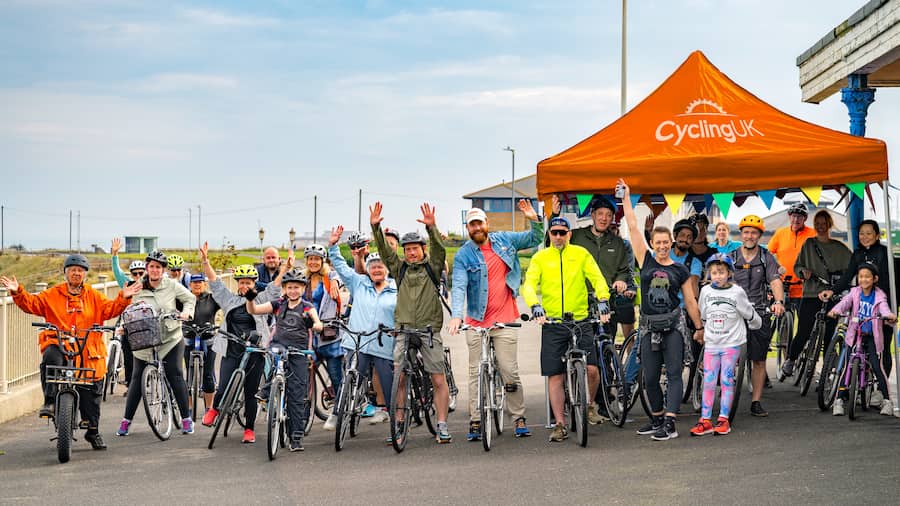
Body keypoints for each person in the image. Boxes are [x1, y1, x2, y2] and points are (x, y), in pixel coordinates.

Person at [1, 254, 139, 450]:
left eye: (80, 270)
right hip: (59, 343)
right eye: (72, 269)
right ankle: (49, 401)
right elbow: (32, 303)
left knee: (93, 386)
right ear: (65, 273)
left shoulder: (93, 295)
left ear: (84, 275)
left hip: (87, 347)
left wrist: (123, 297)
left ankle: (93, 431)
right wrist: (18, 292)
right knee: (50, 356)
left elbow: (109, 309)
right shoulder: (52, 294)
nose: (76, 273)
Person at [448, 201, 543, 441]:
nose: (476, 228)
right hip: (476, 321)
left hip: (505, 318)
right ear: (468, 228)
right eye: (472, 225)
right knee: (474, 372)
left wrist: (533, 218)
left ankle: (518, 416)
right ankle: (476, 419)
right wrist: (457, 316)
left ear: (486, 224)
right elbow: (458, 286)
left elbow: (535, 239)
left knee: (509, 370)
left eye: (480, 223)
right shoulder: (463, 255)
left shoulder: (505, 240)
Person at [620, 179, 703, 441]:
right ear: (653, 242)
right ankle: (656, 418)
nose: (663, 245)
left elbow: (690, 301)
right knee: (651, 377)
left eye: (666, 242)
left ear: (671, 243)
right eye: (658, 241)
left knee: (675, 373)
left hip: (674, 326)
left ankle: (670, 422)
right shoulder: (644, 259)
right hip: (648, 325)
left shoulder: (680, 269)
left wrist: (699, 327)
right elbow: (633, 227)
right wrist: (626, 198)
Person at [522, 215, 611, 442]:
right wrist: (535, 306)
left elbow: (598, 278)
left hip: (580, 320)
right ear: (549, 235)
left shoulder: (581, 254)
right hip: (553, 323)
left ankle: (589, 405)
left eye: (563, 232)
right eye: (555, 233)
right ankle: (560, 423)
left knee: (591, 370)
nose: (559, 236)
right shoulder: (540, 258)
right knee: (555, 376)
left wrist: (603, 299)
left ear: (569, 234)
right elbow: (529, 284)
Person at [370, 201, 453, 443]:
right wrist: (376, 227)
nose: (411, 253)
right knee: (400, 377)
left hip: (428, 330)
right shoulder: (400, 269)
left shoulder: (433, 267)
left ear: (422, 249)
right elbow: (386, 253)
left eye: (415, 249)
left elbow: (439, 250)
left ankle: (442, 424)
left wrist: (432, 228)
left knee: (437, 378)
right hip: (404, 330)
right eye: (407, 249)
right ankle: (398, 423)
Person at [198, 242, 283, 444]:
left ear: (254, 283)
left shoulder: (261, 298)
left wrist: (285, 267)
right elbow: (215, 282)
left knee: (251, 392)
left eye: (248, 283)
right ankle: (215, 410)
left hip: (255, 351)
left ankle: (249, 428)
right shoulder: (229, 300)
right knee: (224, 384)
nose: (244, 286)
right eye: (241, 283)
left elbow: (276, 288)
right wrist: (205, 262)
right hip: (231, 348)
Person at [116, 250, 196, 437]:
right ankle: (126, 421)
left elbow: (189, 299)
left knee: (175, 374)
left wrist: (186, 313)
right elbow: (127, 309)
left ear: (163, 270)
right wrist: (122, 326)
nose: (154, 270)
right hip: (144, 340)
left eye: (158, 267)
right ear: (147, 268)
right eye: (151, 266)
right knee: (137, 379)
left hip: (170, 338)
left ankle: (186, 419)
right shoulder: (136, 286)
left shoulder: (172, 285)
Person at [247, 260, 324, 451]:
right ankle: (267, 391)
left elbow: (319, 324)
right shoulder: (278, 304)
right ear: (285, 289)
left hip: (299, 351)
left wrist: (312, 324)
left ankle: (295, 438)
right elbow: (254, 310)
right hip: (279, 346)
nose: (293, 291)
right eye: (290, 288)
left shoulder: (307, 307)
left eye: (297, 288)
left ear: (302, 288)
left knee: (297, 395)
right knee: (274, 362)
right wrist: (249, 299)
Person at [821, 219, 895, 407]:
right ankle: (848, 386)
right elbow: (848, 277)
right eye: (862, 233)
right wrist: (834, 291)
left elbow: (890, 280)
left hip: (881, 304)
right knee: (855, 346)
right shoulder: (858, 253)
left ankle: (879, 390)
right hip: (861, 304)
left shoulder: (884, 252)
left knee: (882, 348)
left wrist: (888, 309)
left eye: (869, 233)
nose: (865, 236)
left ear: (877, 235)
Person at [329, 226, 398, 426]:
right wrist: (333, 245)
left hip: (383, 343)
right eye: (373, 266)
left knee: (386, 382)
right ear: (367, 269)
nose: (377, 269)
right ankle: (337, 412)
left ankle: (388, 413)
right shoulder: (359, 283)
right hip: (357, 341)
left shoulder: (396, 288)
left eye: (380, 266)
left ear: (386, 269)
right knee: (351, 378)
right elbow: (341, 266)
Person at [690, 254, 761, 436]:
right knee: (709, 380)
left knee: (727, 379)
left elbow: (748, 312)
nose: (718, 276)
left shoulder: (736, 292)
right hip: (712, 343)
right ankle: (705, 419)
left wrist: (756, 322)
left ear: (729, 273)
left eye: (721, 272)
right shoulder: (706, 291)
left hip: (731, 343)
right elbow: (703, 312)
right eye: (714, 273)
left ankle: (723, 419)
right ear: (709, 274)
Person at [727, 215, 785, 417]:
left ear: (759, 235)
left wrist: (778, 302)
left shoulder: (766, 257)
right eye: (746, 232)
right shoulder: (732, 257)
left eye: (753, 232)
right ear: (741, 234)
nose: (749, 236)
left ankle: (756, 402)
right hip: (733, 311)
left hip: (758, 311)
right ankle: (726, 393)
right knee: (727, 355)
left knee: (758, 360)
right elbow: (719, 278)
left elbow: (775, 280)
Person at [781, 210, 851, 378]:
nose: (820, 227)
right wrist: (802, 272)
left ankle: (827, 369)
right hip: (811, 293)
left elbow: (852, 267)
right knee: (804, 330)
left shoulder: (840, 248)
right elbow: (798, 266)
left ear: (829, 225)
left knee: (829, 333)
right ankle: (791, 359)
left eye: (823, 223)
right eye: (817, 224)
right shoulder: (809, 244)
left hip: (832, 295)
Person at [828, 263, 896, 416]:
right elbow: (845, 303)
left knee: (877, 367)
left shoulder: (879, 295)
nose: (863, 279)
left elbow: (884, 307)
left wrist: (888, 315)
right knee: (847, 366)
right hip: (855, 335)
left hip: (872, 336)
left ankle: (887, 401)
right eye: (861, 276)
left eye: (867, 277)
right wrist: (835, 310)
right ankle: (838, 400)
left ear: (875, 279)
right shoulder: (854, 292)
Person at [302, 242, 345, 431]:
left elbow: (340, 276)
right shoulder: (302, 280)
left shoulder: (329, 278)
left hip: (329, 335)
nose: (313, 262)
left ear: (322, 261)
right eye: (310, 259)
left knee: (336, 376)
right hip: (308, 336)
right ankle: (302, 414)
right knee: (303, 375)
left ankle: (338, 412)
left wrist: (334, 279)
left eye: (316, 259)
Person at [183, 273, 221, 418]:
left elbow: (226, 305)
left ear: (205, 284)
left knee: (208, 374)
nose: (197, 284)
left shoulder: (211, 299)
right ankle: (189, 407)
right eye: (194, 282)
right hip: (189, 338)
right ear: (189, 285)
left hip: (208, 338)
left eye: (200, 282)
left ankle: (209, 408)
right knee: (189, 373)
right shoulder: (184, 299)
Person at [767, 202, 816, 305]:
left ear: (805, 218)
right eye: (793, 216)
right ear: (789, 217)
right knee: (779, 319)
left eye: (799, 217)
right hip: (782, 286)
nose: (796, 220)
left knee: (804, 320)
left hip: (805, 287)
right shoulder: (780, 233)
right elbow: (767, 253)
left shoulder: (813, 234)